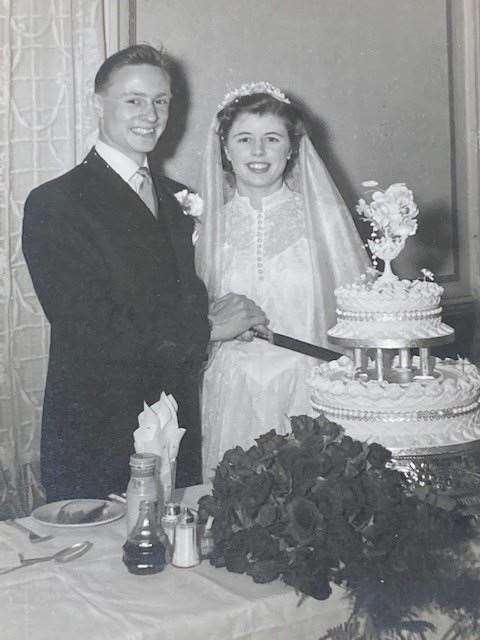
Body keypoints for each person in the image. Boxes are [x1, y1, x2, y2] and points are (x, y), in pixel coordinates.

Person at [22, 46, 268, 501]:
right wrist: (209, 328)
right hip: (99, 432)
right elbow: (89, 326)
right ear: (98, 104)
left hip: (178, 422)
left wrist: (225, 317)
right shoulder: (56, 203)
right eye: (133, 100)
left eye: (161, 101)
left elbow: (182, 297)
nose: (150, 115)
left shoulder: (179, 198)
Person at [196, 82, 370, 480]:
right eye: (244, 139)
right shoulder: (203, 228)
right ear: (225, 148)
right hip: (232, 391)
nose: (258, 152)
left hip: (307, 391)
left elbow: (358, 316)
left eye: (271, 138)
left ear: (291, 148)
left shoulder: (324, 222)